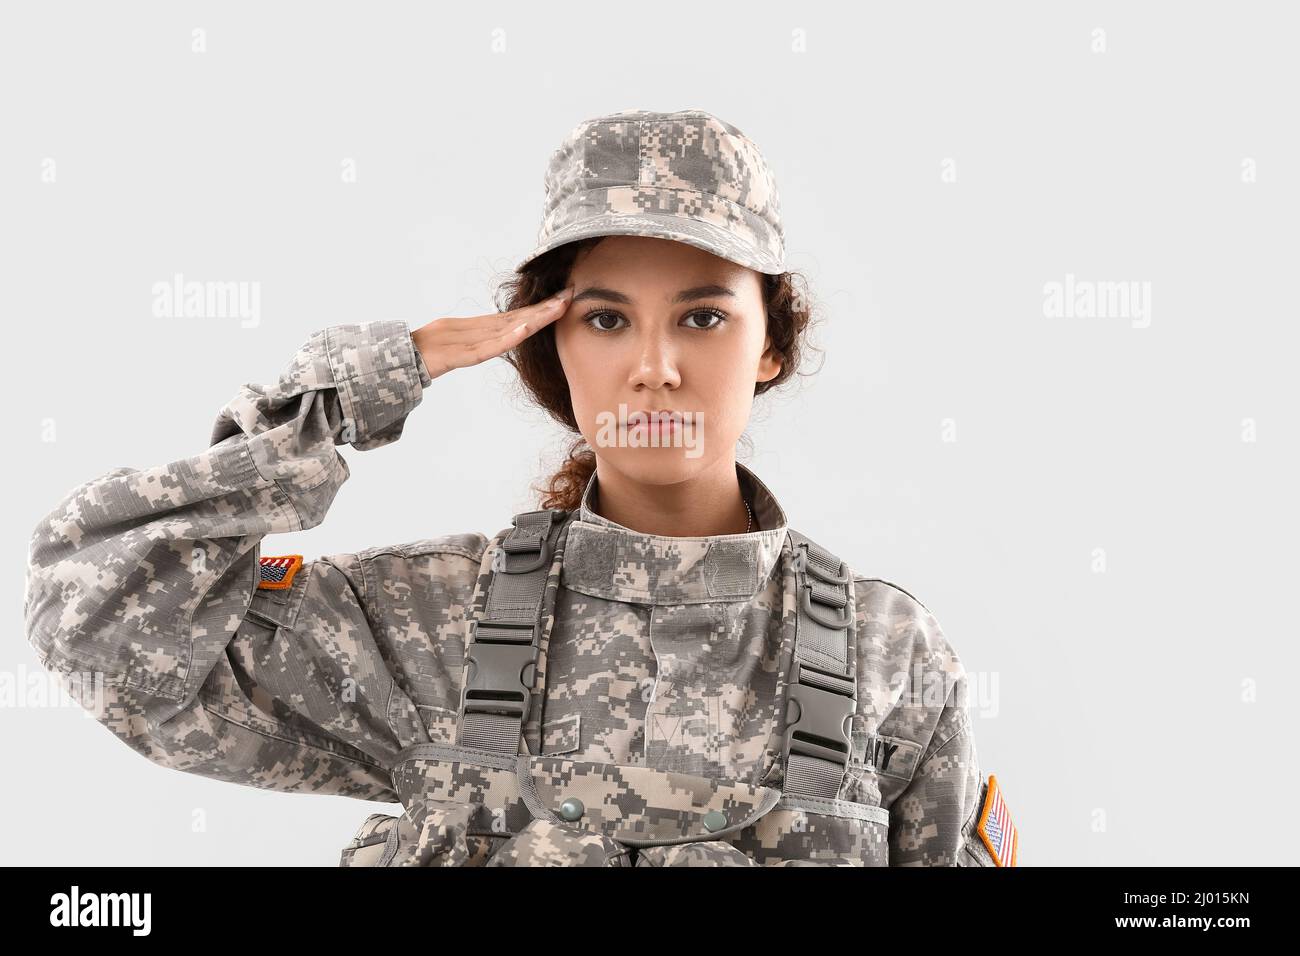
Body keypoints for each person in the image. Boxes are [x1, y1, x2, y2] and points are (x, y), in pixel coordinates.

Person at [23, 108, 1017, 867]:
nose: (656, 366)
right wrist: (356, 388)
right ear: (550, 341)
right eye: (606, 318)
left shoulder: (889, 654)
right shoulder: (431, 617)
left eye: (705, 318)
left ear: (772, 345)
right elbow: (98, 614)